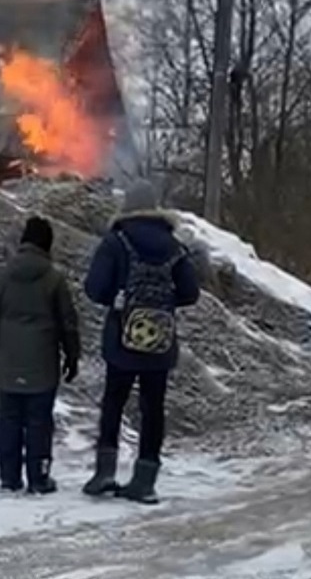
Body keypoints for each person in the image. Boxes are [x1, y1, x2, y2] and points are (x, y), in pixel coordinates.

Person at [81, 179, 200, 504]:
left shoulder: (115, 241)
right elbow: (191, 293)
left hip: (121, 339)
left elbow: (93, 288)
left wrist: (118, 300)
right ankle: (144, 481)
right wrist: (163, 303)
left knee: (113, 403)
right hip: (160, 343)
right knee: (153, 409)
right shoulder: (175, 246)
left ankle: (105, 473)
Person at [0, 216, 81, 494]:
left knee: (9, 419)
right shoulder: (53, 278)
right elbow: (67, 322)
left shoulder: (2, 275)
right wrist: (72, 357)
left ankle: (9, 478)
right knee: (39, 421)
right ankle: (38, 478)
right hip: (43, 362)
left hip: (9, 361)